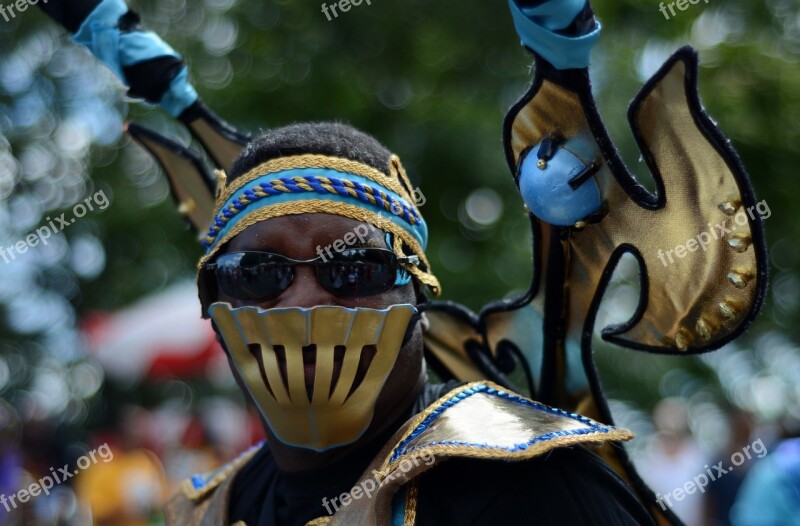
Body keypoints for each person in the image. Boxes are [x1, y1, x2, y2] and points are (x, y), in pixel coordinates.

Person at [163, 121, 654, 525]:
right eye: (258, 275)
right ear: (213, 299)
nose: (305, 300)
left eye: (353, 269)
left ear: (417, 296)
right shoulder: (205, 510)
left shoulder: (531, 482)